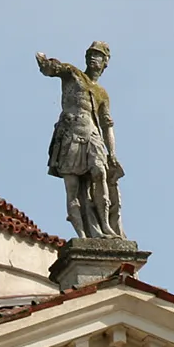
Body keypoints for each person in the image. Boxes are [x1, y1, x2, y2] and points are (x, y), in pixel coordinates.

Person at [36, 41, 126, 240]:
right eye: (91, 54)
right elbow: (55, 69)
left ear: (105, 62)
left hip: (92, 135)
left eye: (99, 55)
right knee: (73, 188)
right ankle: (83, 235)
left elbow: (107, 125)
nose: (94, 58)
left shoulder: (102, 94)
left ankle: (105, 226)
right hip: (71, 134)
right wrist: (45, 63)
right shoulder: (74, 74)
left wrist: (112, 153)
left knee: (100, 173)